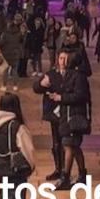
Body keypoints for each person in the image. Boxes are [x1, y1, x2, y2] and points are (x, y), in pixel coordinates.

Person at [50, 49, 91, 190]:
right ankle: (82, 174)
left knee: (68, 145)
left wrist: (62, 98)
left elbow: (80, 96)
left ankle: (65, 176)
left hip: (74, 116)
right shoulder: (70, 74)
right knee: (74, 146)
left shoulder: (79, 76)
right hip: (66, 115)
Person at [33, 52, 66, 181]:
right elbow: (36, 87)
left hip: (66, 111)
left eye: (64, 58)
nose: (62, 61)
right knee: (56, 142)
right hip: (54, 112)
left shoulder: (71, 74)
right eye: (60, 58)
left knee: (66, 142)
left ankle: (65, 169)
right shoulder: (52, 74)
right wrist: (42, 84)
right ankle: (58, 168)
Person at [0, 18, 25, 92]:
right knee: (15, 71)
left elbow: (1, 43)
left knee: (5, 71)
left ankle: (4, 86)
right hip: (15, 54)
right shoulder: (19, 33)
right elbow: (21, 41)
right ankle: (15, 86)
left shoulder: (4, 34)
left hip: (6, 54)